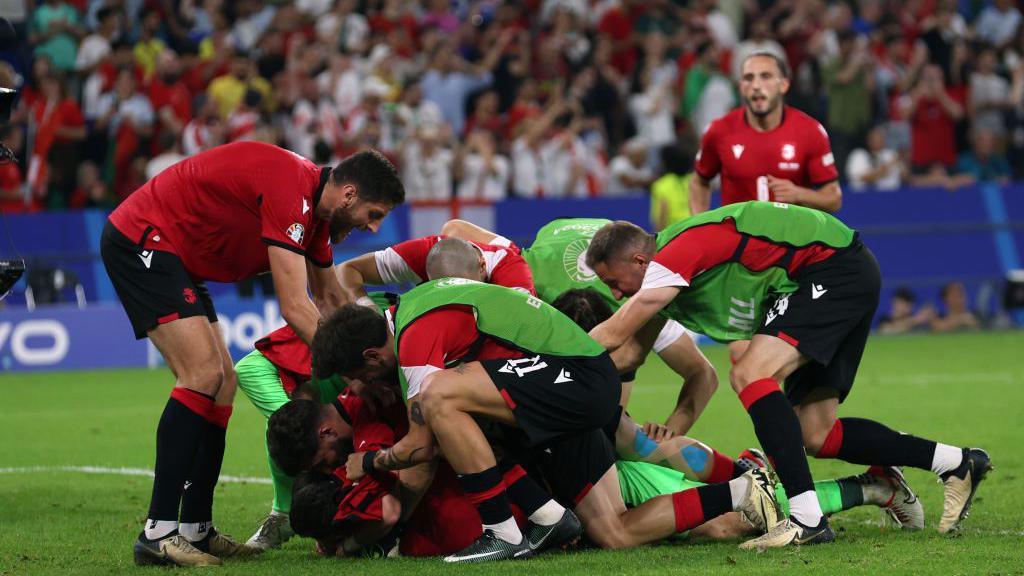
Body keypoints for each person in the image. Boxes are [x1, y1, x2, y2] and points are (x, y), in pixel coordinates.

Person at [586, 203, 992, 548]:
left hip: (829, 270)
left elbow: (618, 330)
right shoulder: (669, 275)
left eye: (613, 283)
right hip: (837, 273)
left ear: (639, 261)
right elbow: (631, 353)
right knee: (815, 432)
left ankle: (806, 520)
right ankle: (955, 462)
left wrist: (556, 357)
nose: (617, 295)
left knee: (749, 373)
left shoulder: (675, 254)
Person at [288, 281, 779, 563]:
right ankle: (742, 493)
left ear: (374, 355)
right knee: (615, 533)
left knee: (441, 404)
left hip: (576, 380)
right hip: (570, 388)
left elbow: (422, 449)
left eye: (354, 377)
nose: (355, 391)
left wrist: (370, 460)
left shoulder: (416, 347)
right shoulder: (417, 306)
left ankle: (504, 531)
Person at [100, 142, 404, 567]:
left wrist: (378, 360)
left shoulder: (314, 215)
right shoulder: (290, 190)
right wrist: (357, 372)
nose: (373, 228)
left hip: (178, 258)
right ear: (349, 194)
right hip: (144, 238)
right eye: (374, 215)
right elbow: (296, 306)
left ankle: (196, 530)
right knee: (202, 374)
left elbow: (332, 296)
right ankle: (158, 531)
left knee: (222, 383)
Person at [238, 233, 534, 550]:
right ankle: (548, 513)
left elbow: (415, 469)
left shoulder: (404, 365)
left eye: (324, 463)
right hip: (528, 408)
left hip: (534, 387)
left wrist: (363, 537)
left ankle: (538, 518)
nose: (333, 470)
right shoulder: (384, 368)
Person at [689, 52, 842, 215]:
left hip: (789, 238)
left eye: (765, 76)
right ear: (741, 87)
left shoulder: (810, 131)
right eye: (748, 78)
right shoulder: (719, 131)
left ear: (783, 85)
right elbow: (699, 182)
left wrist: (799, 194)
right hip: (739, 238)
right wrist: (699, 225)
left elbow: (833, 198)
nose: (756, 85)